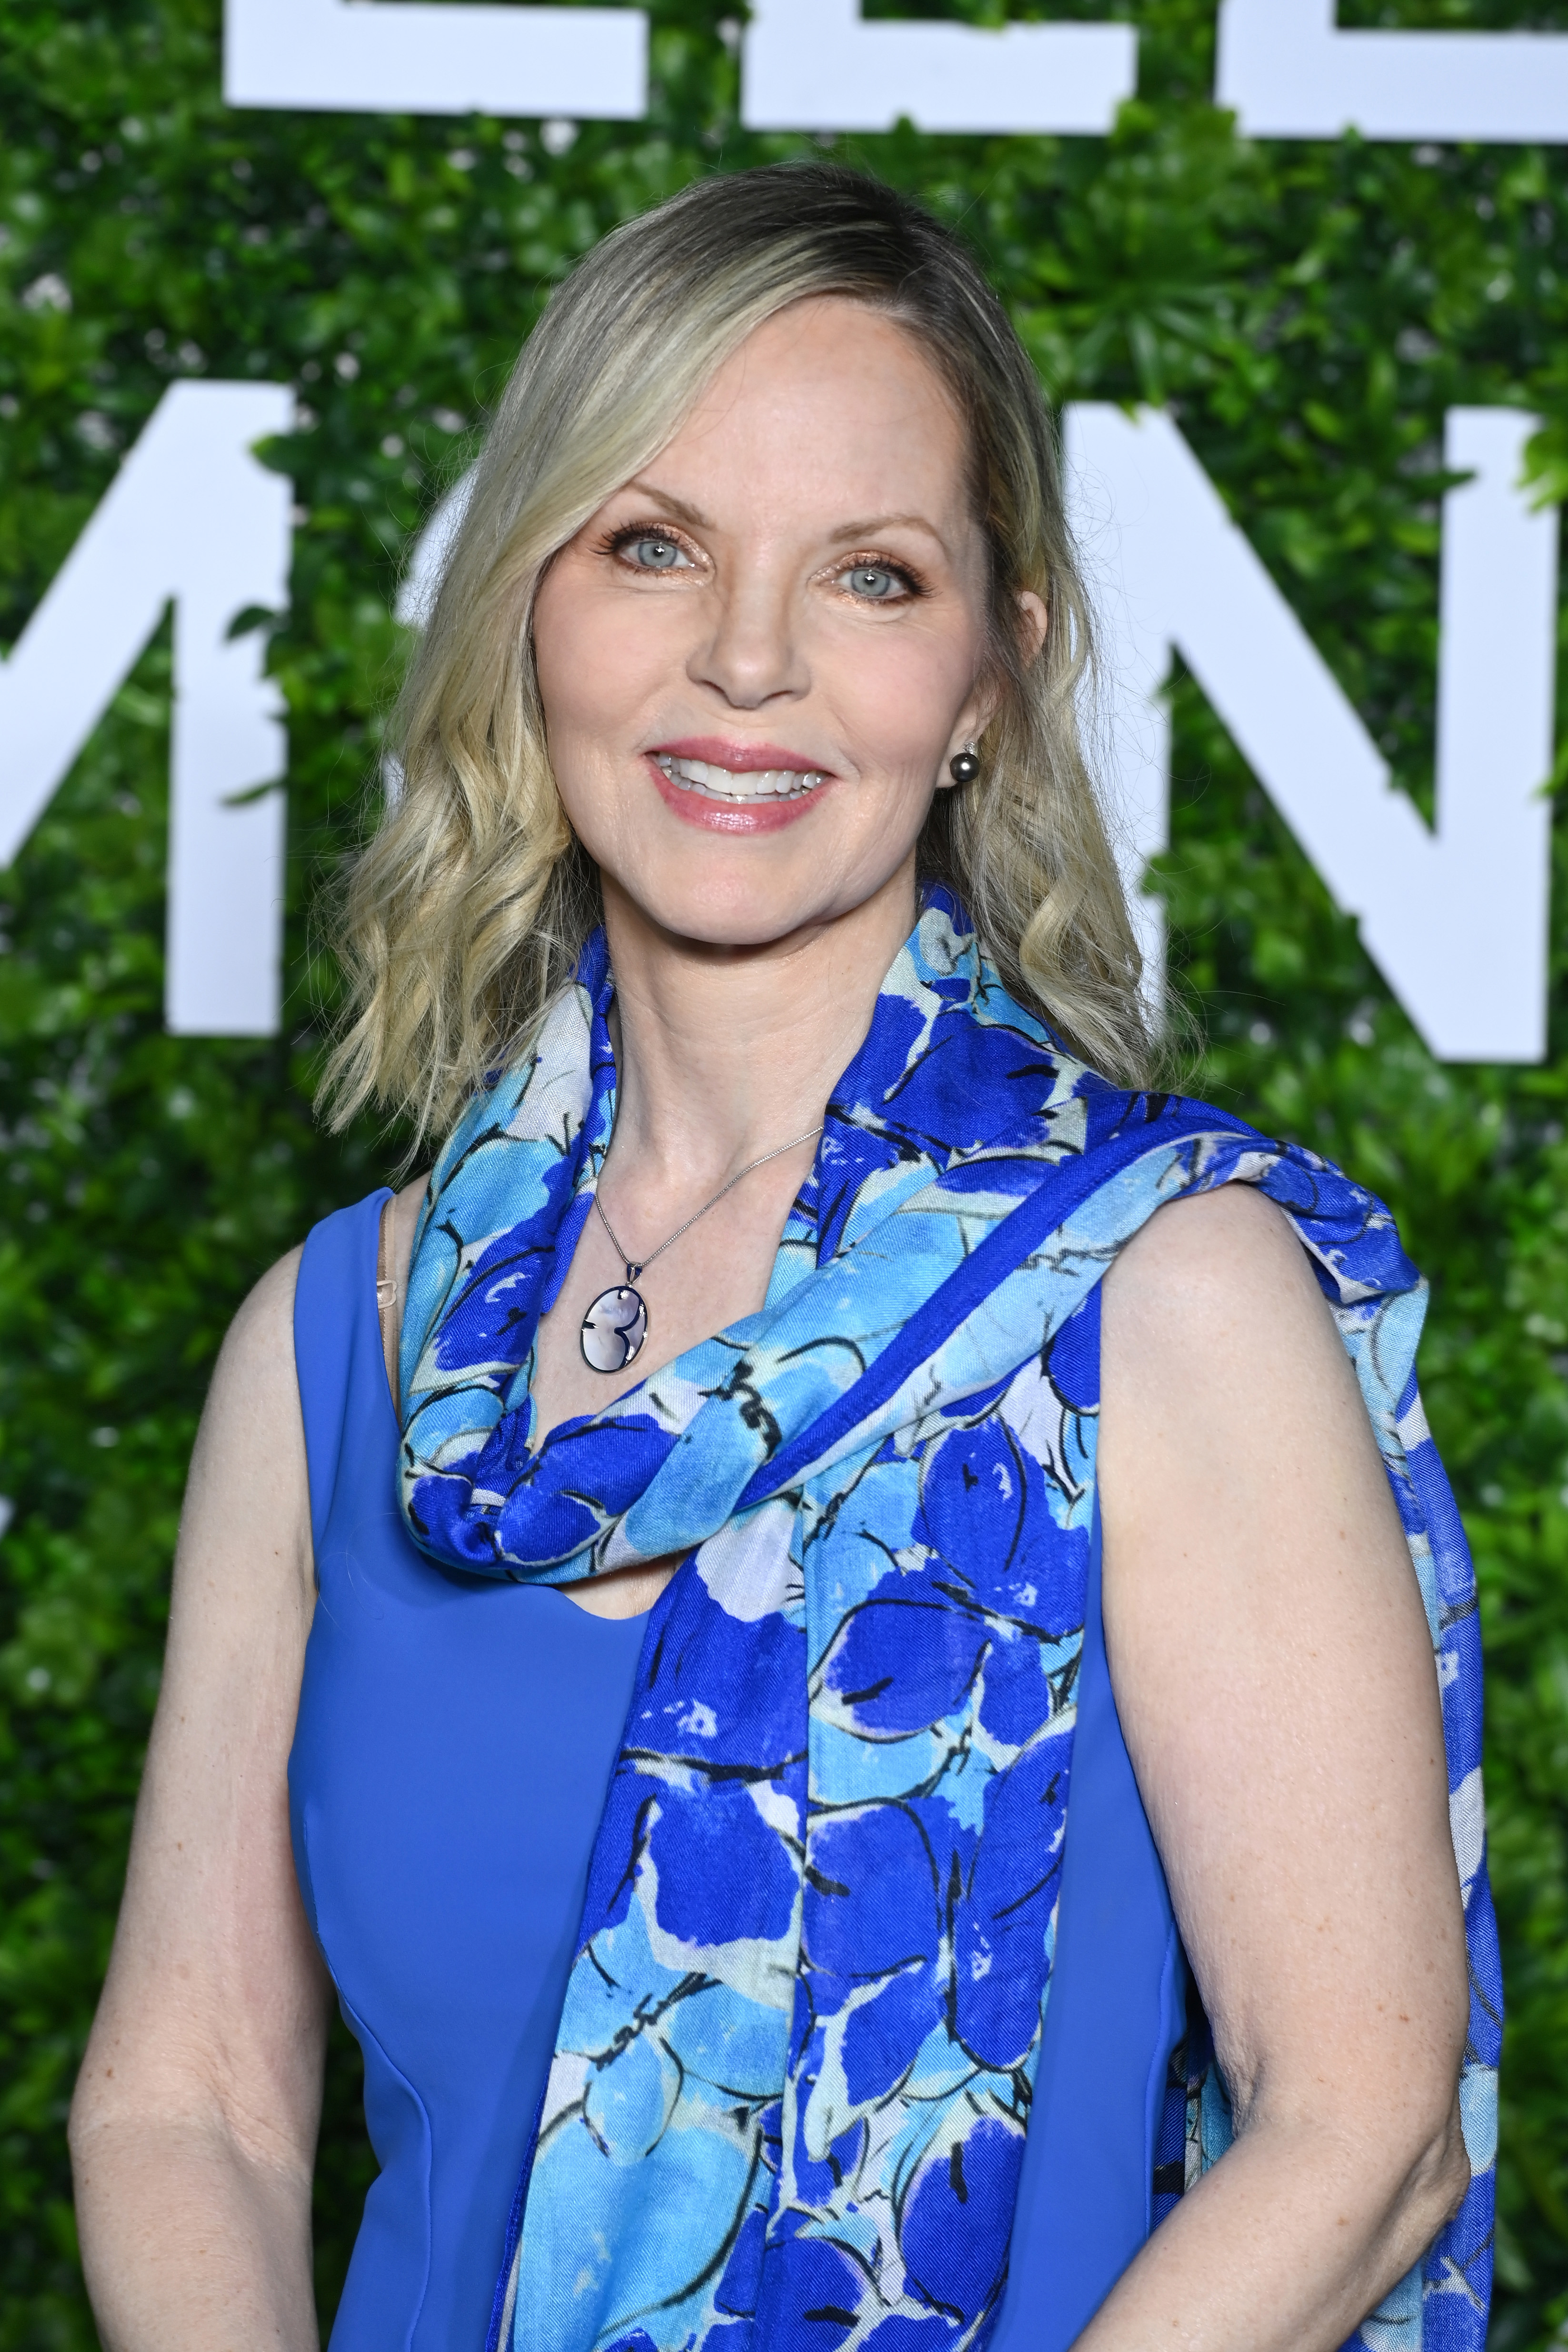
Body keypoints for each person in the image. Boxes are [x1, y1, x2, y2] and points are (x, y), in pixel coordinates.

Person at [68, 164, 1495, 2352]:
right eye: (653, 544)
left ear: (989, 680)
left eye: (869, 573)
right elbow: (197, 2101)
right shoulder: (336, 1343)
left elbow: (1360, 2119)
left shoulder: (1162, 1293)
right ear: (527, 604)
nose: (744, 657)